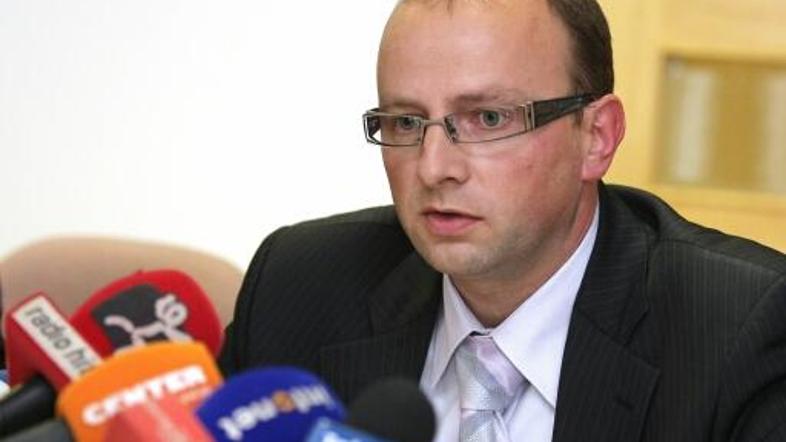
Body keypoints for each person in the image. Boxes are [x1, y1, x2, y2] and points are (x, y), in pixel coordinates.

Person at [218, 0, 786, 440]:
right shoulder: (297, 287)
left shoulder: (741, 331)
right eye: (406, 122)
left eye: (487, 119)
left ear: (596, 137)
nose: (434, 168)